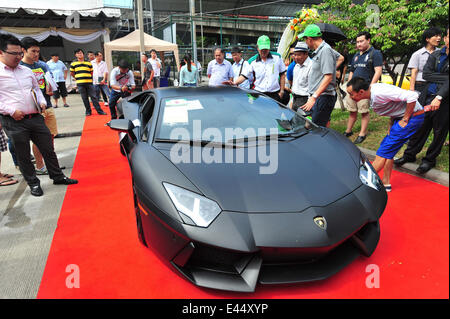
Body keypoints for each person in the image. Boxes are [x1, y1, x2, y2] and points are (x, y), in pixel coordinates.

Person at [0, 34, 78, 196]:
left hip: (35, 117)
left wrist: (42, 102)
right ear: (1, 53)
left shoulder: (26, 71)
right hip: (14, 121)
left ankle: (57, 176)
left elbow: (36, 89)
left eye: (19, 53)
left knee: (48, 148)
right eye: (13, 54)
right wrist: (11, 111)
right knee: (23, 155)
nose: (18, 57)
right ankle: (33, 183)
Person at [346, 77, 425, 192]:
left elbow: (412, 96)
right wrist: (391, 124)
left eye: (351, 94)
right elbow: (394, 106)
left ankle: (359, 185)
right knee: (388, 150)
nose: (350, 97)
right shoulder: (373, 92)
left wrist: (406, 119)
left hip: (412, 118)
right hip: (401, 118)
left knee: (383, 152)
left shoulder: (379, 92)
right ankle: (386, 182)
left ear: (361, 92)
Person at [395, 26, 449, 174]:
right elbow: (426, 74)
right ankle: (409, 155)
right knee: (420, 128)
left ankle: (429, 160)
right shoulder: (437, 55)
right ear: (446, 38)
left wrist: (440, 96)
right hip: (427, 97)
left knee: (439, 132)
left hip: (445, 101)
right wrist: (446, 78)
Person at [20, 37, 59, 176]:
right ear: (23, 50)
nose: (36, 54)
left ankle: (52, 164)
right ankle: (40, 165)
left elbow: (49, 80)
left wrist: (50, 88)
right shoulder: (19, 68)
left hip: (47, 105)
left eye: (38, 51)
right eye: (33, 51)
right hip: (32, 110)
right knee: (38, 139)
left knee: (51, 136)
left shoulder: (42, 65)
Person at [343, 31, 383, 144]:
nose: (359, 44)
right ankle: (348, 131)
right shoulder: (356, 55)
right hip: (352, 90)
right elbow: (352, 71)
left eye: (361, 41)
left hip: (363, 90)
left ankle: (362, 133)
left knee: (364, 111)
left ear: (368, 40)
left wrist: (370, 87)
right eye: (357, 42)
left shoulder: (375, 54)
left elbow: (378, 71)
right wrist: (348, 85)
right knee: (352, 111)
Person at [298, 24, 337, 127]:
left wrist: (314, 97)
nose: (306, 43)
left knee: (318, 130)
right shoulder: (320, 51)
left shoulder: (325, 50)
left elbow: (328, 76)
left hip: (323, 97)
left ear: (310, 39)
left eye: (305, 40)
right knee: (311, 127)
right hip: (318, 97)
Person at [246, 35, 286, 102]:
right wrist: (234, 83)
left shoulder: (277, 57)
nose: (264, 51)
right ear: (257, 48)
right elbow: (244, 76)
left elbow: (282, 74)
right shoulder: (252, 61)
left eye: (266, 49)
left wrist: (281, 92)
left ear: (269, 48)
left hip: (275, 94)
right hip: (258, 94)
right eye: (262, 49)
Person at [70, 48, 106, 116]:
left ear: (83, 54)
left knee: (94, 97)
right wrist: (77, 78)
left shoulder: (88, 63)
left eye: (81, 53)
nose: (79, 54)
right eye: (78, 53)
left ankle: (99, 111)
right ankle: (88, 111)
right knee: (84, 98)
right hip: (80, 84)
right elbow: (72, 73)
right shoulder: (73, 63)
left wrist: (87, 77)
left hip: (89, 83)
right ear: (75, 55)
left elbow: (91, 72)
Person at [408, 27, 442, 94]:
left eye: (439, 36)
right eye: (436, 36)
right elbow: (414, 73)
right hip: (420, 86)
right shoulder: (417, 54)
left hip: (436, 85)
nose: (439, 38)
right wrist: (411, 90)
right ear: (427, 39)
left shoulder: (441, 53)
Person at [286, 42, 312, 112]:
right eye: (295, 55)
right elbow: (294, 84)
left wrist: (310, 102)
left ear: (306, 54)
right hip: (295, 99)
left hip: (305, 100)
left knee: (302, 122)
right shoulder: (296, 66)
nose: (296, 57)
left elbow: (313, 87)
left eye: (299, 55)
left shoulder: (311, 66)